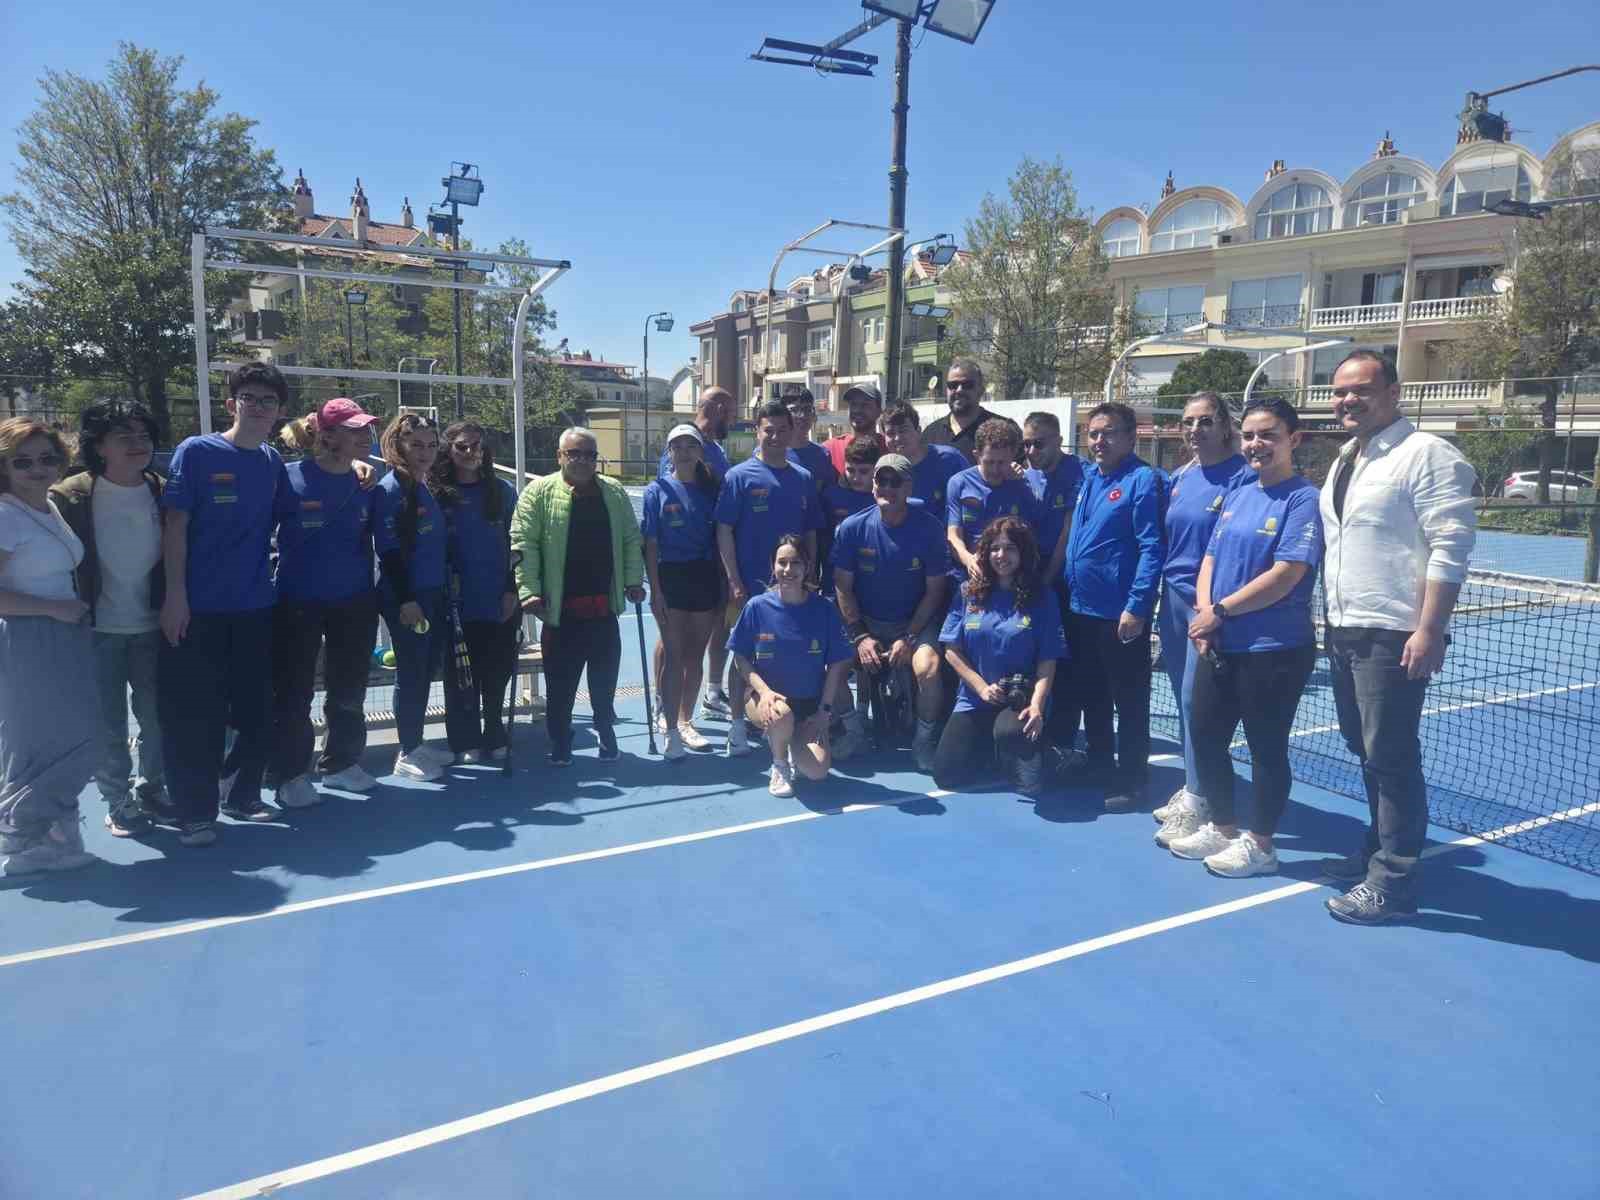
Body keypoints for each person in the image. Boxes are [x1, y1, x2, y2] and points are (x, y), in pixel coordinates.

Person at [1316, 351, 1477, 924]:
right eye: (1339, 391)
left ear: (1393, 393)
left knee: (1391, 756)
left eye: (1360, 389)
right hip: (1344, 628)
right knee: (1365, 750)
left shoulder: (1428, 454)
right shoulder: (1346, 457)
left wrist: (1429, 629)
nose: (1347, 400)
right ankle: (1375, 852)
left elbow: (1451, 546)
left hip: (1393, 633)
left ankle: (1393, 881)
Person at [1167, 398, 1323, 877]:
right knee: (1206, 736)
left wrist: (1219, 612)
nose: (1257, 444)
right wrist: (1205, 614)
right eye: (1251, 435)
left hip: (1274, 649)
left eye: (1268, 435)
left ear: (1293, 440)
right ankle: (1223, 827)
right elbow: (1210, 559)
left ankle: (1261, 845)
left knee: (1265, 749)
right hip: (1221, 643)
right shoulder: (1239, 494)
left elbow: (1287, 573)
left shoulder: (1304, 499)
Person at [159, 362, 293, 844]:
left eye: (268, 401)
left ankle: (241, 794)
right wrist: (176, 597)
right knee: (199, 715)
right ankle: (195, 811)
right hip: (199, 609)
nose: (258, 407)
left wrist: (359, 467)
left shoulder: (272, 462)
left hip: (254, 607)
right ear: (232, 403)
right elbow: (175, 527)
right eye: (249, 398)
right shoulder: (196, 452)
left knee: (255, 711)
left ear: (279, 411)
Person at [51, 400, 168, 837]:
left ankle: (153, 788)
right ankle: (117, 800)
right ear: (99, 446)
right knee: (109, 725)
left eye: (144, 435)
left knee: (158, 717)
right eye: (124, 436)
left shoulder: (163, 490)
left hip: (154, 626)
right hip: (95, 630)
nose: (138, 444)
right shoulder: (68, 496)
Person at [1151, 393, 1251, 849]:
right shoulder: (1181, 476)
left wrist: (1214, 608)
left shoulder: (1243, 477)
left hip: (1208, 605)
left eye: (1206, 421)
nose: (1195, 430)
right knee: (1181, 697)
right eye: (1188, 422)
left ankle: (1201, 799)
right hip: (1172, 599)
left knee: (1197, 702)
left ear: (1226, 425)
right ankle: (1195, 786)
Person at [0, 419, 99, 875]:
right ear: (5, 467)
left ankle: (53, 831)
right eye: (22, 461)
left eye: (46, 458)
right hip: (27, 637)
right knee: (39, 742)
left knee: (72, 737)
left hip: (61, 634)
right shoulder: (6, 515)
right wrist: (52, 609)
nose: (37, 468)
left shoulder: (46, 507)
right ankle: (23, 836)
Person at [270, 398, 382, 802]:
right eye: (354, 430)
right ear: (327, 435)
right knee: (294, 691)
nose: (365, 436)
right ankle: (290, 775)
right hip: (296, 602)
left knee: (349, 689)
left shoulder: (367, 481)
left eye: (366, 428)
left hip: (354, 603)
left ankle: (341, 764)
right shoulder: (287, 478)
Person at [513, 427, 645, 767]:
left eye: (589, 455)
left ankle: (605, 728)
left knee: (604, 679)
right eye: (575, 453)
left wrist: (633, 580)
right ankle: (560, 739)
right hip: (560, 610)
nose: (583, 460)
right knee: (561, 684)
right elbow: (523, 544)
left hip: (604, 608)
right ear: (560, 456)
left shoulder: (613, 491)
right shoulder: (538, 492)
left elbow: (631, 539)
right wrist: (529, 590)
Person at [1064, 401, 1166, 813]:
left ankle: (1133, 778)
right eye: (1093, 433)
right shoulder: (1090, 477)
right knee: (1093, 695)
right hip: (1081, 610)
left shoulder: (1143, 481)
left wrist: (1137, 606)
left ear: (1131, 437)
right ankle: (1100, 763)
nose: (1098, 441)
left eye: (1108, 433)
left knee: (1130, 700)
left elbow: (1151, 547)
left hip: (1119, 614)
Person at [715, 400, 822, 756]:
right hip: (748, 587)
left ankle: (779, 720)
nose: (775, 437)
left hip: (793, 586)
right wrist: (734, 580)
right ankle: (736, 726)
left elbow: (810, 532)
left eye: (782, 430)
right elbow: (724, 530)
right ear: (757, 432)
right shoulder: (738, 477)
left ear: (792, 432)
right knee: (742, 655)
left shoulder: (803, 478)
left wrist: (811, 572)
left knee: (786, 652)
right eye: (768, 430)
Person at [832, 452, 951, 770]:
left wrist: (909, 637)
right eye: (880, 480)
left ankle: (924, 739)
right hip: (865, 622)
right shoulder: (852, 528)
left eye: (895, 481)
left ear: (909, 487)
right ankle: (854, 732)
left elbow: (935, 591)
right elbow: (842, 587)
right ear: (873, 485)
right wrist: (860, 636)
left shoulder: (930, 529)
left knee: (929, 668)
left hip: (914, 622)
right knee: (831, 665)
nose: (887, 487)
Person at [934, 516, 1063, 797]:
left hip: (1021, 698)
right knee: (946, 775)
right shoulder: (968, 592)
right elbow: (951, 650)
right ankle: (993, 751)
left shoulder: (1043, 597)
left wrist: (1037, 705)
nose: (1001, 555)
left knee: (1010, 733)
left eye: (1010, 548)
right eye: (994, 548)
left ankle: (1038, 758)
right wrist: (981, 687)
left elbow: (1048, 660)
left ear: (1023, 553)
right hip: (975, 697)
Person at [728, 535, 853, 798]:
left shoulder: (824, 609)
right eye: (782, 562)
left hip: (809, 704)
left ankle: (788, 738)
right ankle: (780, 764)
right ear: (772, 566)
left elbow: (836, 665)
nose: (788, 569)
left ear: (807, 567)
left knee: (817, 772)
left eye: (795, 562)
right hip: (767, 700)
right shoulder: (756, 607)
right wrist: (763, 692)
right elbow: (740, 658)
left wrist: (824, 711)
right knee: (781, 714)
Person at [432, 421, 520, 764]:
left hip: (498, 599)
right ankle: (464, 739)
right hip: (455, 604)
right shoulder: (436, 493)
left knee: (497, 672)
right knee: (460, 678)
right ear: (449, 450)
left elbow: (518, 546)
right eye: (462, 447)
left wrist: (511, 589)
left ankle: (495, 731)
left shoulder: (503, 491)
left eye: (477, 446)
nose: (470, 452)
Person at [374, 412, 452, 782]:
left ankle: (416, 742)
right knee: (411, 671)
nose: (425, 452)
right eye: (416, 444)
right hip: (408, 598)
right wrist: (407, 600)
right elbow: (389, 551)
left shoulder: (422, 486)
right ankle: (406, 751)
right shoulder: (391, 490)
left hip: (433, 593)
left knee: (424, 670)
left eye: (431, 445)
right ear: (398, 445)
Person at [642, 424, 721, 760]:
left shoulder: (713, 489)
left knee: (694, 657)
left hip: (705, 576)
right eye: (678, 446)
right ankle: (670, 727)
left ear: (700, 451)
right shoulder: (656, 491)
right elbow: (650, 545)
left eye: (691, 445)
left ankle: (686, 721)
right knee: (674, 656)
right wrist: (656, 591)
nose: (685, 452)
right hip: (671, 577)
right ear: (669, 452)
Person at [1022, 411, 1086, 761]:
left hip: (1062, 584)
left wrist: (1046, 581)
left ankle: (1064, 740)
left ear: (1059, 441)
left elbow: (1066, 534)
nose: (1032, 451)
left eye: (1039, 443)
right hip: (1031, 580)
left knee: (1066, 663)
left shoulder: (1079, 473)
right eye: (1026, 444)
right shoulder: (1025, 474)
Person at [946, 419, 1047, 583]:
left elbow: (1032, 536)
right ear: (977, 455)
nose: (995, 469)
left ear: (1013, 456)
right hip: (970, 575)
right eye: (989, 462)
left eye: (1002, 462)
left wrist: (1019, 485)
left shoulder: (1023, 484)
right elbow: (953, 535)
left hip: (1011, 576)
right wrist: (969, 560)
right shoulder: (959, 483)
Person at [879, 401, 967, 512]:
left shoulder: (950, 460)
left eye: (903, 430)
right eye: (890, 433)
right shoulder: (883, 471)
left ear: (919, 431)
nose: (897, 438)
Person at [923, 359, 1004, 463]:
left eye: (967, 385)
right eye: (953, 385)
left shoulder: (1003, 431)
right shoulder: (930, 434)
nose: (959, 390)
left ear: (981, 390)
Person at [657, 388, 732, 479]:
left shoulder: (717, 448)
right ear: (720, 410)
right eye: (731, 413)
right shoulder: (680, 444)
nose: (732, 421)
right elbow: (669, 485)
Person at [823, 382, 883, 477]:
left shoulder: (890, 448)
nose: (857, 410)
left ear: (879, 411)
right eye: (853, 404)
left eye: (865, 405)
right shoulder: (829, 449)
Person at [784, 389, 837, 492]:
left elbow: (827, 494)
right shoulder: (768, 452)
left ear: (814, 416)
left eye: (807, 409)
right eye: (794, 410)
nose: (802, 416)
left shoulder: (822, 455)